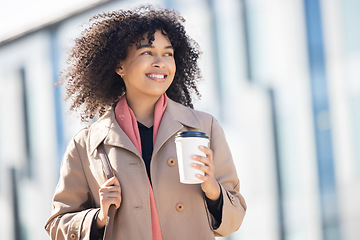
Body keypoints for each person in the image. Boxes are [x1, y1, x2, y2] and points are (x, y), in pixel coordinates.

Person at [45, 5, 246, 240]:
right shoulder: (85, 145)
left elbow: (234, 219)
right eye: (147, 53)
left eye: (168, 53)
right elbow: (58, 224)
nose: (161, 62)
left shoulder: (204, 127)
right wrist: (98, 218)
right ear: (120, 65)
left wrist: (213, 190)